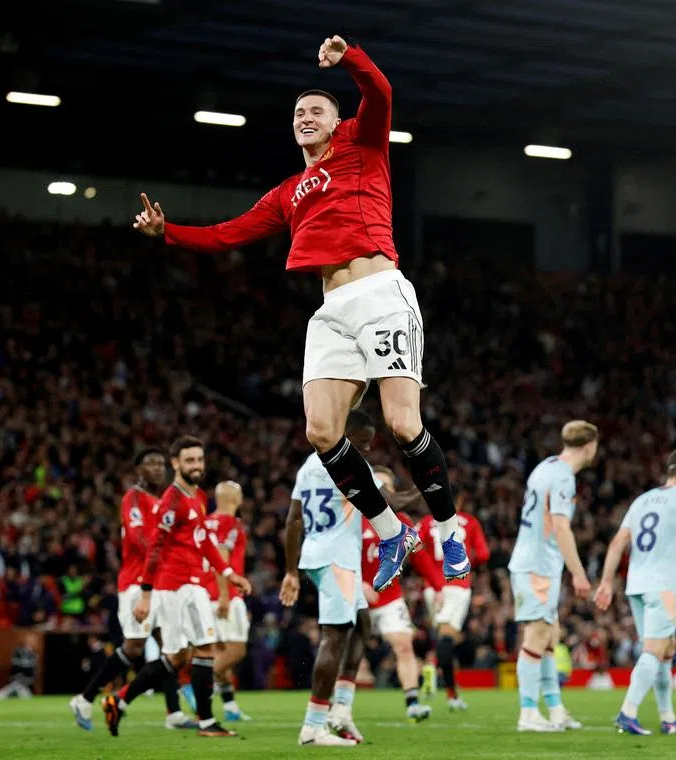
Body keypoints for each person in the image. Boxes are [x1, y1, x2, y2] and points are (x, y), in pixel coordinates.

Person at [131, 34, 469, 592]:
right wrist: (169, 231)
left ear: (337, 123)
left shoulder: (362, 143)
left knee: (403, 423)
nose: (305, 118)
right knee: (321, 431)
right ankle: (392, 532)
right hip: (332, 309)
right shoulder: (288, 192)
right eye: (298, 114)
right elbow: (227, 234)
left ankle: (450, 530)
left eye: (316, 111)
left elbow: (381, 93)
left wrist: (349, 58)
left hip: (380, 293)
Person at [103, 437, 252, 739]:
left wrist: (227, 573)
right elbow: (154, 549)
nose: (196, 466)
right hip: (179, 587)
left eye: (199, 460)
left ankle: (118, 700)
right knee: (205, 648)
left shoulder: (197, 495)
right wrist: (146, 595)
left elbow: (204, 540)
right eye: (189, 461)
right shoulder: (172, 501)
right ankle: (207, 723)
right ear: (175, 463)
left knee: (176, 657)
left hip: (189, 584)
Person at [594, 447, 676, 736]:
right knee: (655, 650)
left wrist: (606, 581)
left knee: (666, 648)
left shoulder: (642, 500)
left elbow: (617, 543)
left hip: (636, 585)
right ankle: (627, 713)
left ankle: (668, 718)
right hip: (663, 585)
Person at [70, 450, 195, 731]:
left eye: (160, 463)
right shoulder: (134, 498)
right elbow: (139, 539)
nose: (157, 468)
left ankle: (174, 713)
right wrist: (169, 554)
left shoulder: (163, 501)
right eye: (150, 463)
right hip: (137, 583)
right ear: (138, 469)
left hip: (160, 582)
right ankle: (85, 698)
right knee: (134, 647)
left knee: (172, 647)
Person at [281, 410, 380, 746]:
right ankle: (314, 726)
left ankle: (341, 709)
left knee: (362, 624)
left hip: (318, 553)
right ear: (345, 433)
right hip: (338, 559)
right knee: (335, 637)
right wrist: (430, 492)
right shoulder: (349, 464)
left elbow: (294, 519)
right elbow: (388, 502)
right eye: (363, 441)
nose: (367, 449)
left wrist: (291, 571)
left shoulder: (309, 465)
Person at [508, 421, 599, 731]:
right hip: (537, 565)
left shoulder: (545, 466)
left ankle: (556, 710)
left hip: (537, 562)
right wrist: (579, 573)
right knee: (537, 635)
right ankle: (528, 713)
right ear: (590, 446)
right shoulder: (563, 478)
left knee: (550, 636)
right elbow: (560, 527)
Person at [362, 465, 441, 723]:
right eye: (377, 485)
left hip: (389, 597)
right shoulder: (354, 518)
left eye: (386, 487)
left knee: (404, 645)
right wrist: (357, 584)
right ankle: (333, 705)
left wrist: (438, 587)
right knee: (346, 652)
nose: (381, 491)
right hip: (355, 596)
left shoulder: (401, 521)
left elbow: (421, 558)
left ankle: (412, 704)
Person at [417, 486, 490, 712]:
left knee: (446, 636)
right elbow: (484, 554)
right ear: (459, 500)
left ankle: (449, 688)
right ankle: (438, 674)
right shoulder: (469, 522)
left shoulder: (426, 522)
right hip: (457, 585)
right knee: (447, 639)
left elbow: (414, 549)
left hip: (432, 588)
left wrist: (430, 575)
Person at [201, 481, 253, 723]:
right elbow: (221, 557)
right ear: (235, 499)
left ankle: (230, 705)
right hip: (225, 594)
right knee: (235, 650)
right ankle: (197, 685)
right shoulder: (230, 523)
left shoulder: (205, 522)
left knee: (219, 651)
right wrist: (224, 594)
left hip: (204, 593)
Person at [0, 634, 37, 699]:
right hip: (15, 682)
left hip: (26, 685)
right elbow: (15, 668)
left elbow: (31, 673)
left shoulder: (33, 654)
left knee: (25, 697)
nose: (30, 642)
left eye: (32, 640)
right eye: (29, 640)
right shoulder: (17, 652)